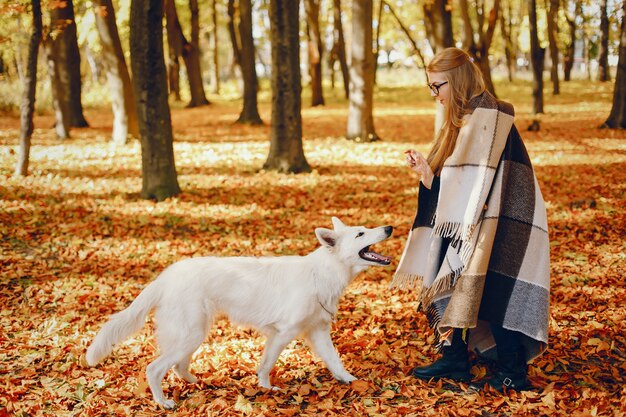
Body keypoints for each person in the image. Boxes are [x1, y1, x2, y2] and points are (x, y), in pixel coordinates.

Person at [391, 47, 550, 392]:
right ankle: (454, 358)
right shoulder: (464, 118)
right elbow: (464, 180)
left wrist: (439, 179)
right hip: (469, 217)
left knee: (495, 285)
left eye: (438, 86)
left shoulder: (491, 116)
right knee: (447, 274)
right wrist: (428, 174)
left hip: (505, 217)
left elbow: (480, 182)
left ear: (458, 80)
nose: (435, 94)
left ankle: (512, 372)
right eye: (430, 87)